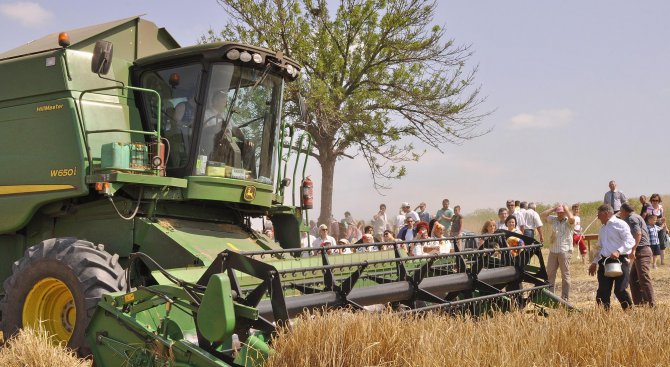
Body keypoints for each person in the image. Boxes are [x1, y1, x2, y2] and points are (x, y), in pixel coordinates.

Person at [588, 204, 634, 310]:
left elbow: (630, 241)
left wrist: (619, 251)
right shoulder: (602, 228)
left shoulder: (620, 224)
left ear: (606, 213)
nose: (597, 217)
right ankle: (605, 316)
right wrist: (594, 262)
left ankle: (630, 312)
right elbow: (599, 247)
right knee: (602, 292)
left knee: (620, 290)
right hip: (605, 262)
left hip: (620, 261)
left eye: (599, 214)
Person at [618, 203, 655, 307]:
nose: (620, 213)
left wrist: (633, 250)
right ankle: (640, 304)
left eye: (621, 211)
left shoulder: (631, 218)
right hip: (641, 250)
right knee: (633, 278)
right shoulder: (636, 216)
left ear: (625, 211)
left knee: (643, 277)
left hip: (641, 250)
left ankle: (652, 304)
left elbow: (638, 234)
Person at [540, 204, 575, 301]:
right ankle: (550, 297)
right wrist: (553, 208)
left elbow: (572, 219)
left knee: (565, 274)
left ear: (565, 212)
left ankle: (565, 298)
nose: (560, 214)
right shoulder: (554, 219)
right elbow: (542, 215)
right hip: (553, 250)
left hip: (565, 250)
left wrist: (567, 209)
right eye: (558, 212)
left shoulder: (569, 221)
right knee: (550, 274)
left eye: (561, 212)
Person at [643, 193, 666, 265]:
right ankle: (652, 262)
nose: (655, 201)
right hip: (652, 227)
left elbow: (663, 218)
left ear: (659, 200)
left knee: (662, 243)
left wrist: (666, 227)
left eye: (656, 200)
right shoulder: (649, 208)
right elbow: (649, 218)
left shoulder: (661, 207)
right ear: (651, 200)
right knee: (652, 243)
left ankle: (662, 262)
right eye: (653, 200)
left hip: (661, 226)